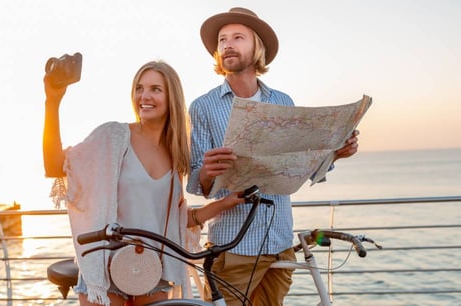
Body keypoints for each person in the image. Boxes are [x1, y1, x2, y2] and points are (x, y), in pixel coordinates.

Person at [186, 7, 361, 306]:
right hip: (234, 247)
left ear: (257, 48)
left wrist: (335, 155)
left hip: (280, 242)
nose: (227, 44)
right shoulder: (203, 107)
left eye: (238, 37)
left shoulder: (282, 101)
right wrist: (207, 171)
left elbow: (295, 168)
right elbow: (196, 184)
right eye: (222, 39)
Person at [42, 58, 244, 306]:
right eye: (139, 88)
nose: (144, 96)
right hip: (107, 271)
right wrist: (53, 101)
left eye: (155, 89)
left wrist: (226, 203)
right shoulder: (114, 137)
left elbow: (179, 221)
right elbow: (54, 166)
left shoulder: (175, 154)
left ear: (172, 98)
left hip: (151, 273)